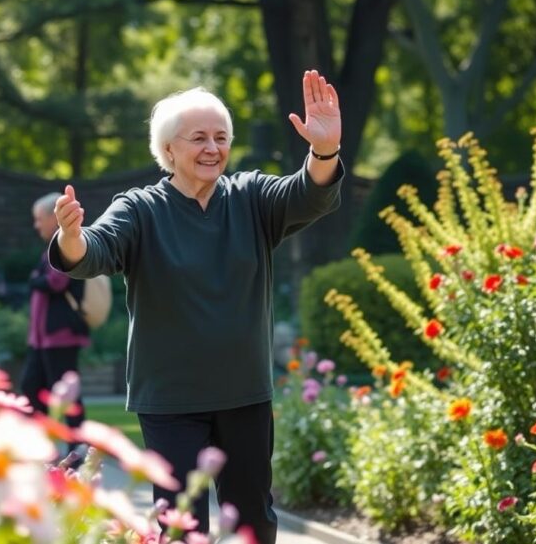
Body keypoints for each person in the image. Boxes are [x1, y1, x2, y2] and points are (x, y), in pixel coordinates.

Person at [49, 70, 344, 543]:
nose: (213, 148)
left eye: (221, 137)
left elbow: (307, 194)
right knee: (181, 525)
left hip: (244, 392)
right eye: (199, 138)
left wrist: (323, 150)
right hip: (169, 399)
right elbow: (94, 252)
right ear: (168, 149)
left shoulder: (251, 197)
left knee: (253, 520)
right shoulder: (140, 209)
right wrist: (71, 236)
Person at [21, 192, 91, 452]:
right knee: (31, 387)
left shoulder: (65, 244)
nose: (36, 225)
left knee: (67, 396)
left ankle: (77, 450)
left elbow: (57, 282)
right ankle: (35, 446)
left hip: (60, 336)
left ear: (54, 217)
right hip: (42, 338)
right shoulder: (50, 247)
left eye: (39, 219)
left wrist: (33, 280)